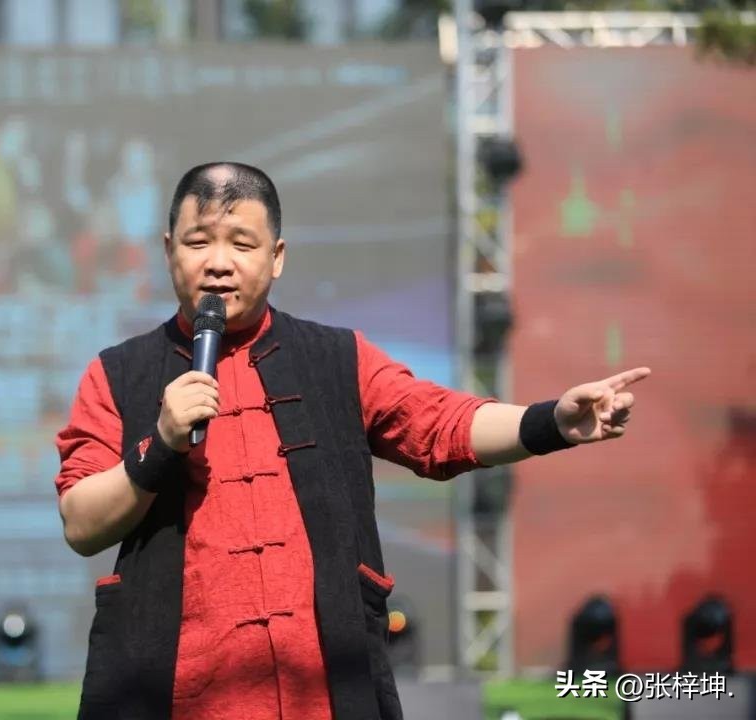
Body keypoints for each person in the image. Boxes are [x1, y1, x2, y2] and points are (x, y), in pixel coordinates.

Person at [54, 162, 649, 720]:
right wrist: (160, 443)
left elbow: (440, 424)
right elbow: (82, 523)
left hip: (327, 695)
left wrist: (552, 423)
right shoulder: (118, 374)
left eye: (241, 244)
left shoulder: (337, 359)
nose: (218, 263)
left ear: (277, 258)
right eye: (197, 242)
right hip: (174, 697)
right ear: (167, 252)